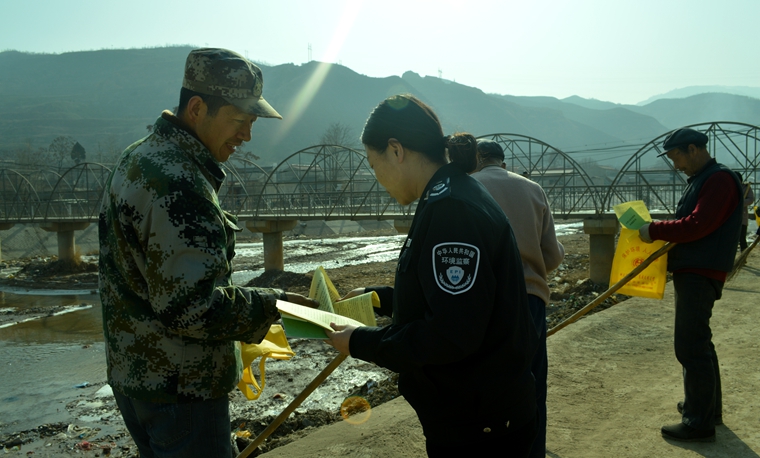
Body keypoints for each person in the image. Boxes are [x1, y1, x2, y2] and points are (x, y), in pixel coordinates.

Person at [99, 48, 316, 458]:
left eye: (252, 123)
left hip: (135, 380)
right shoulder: (181, 183)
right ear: (197, 108)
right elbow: (191, 309)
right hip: (183, 390)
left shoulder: (139, 157)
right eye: (239, 120)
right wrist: (275, 305)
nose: (246, 135)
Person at [326, 94, 538, 457]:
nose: (377, 179)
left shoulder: (451, 210)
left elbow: (450, 334)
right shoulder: (451, 195)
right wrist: (377, 297)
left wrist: (359, 341)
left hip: (479, 430)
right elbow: (450, 299)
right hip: (481, 417)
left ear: (396, 150)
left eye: (373, 165)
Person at [639, 127, 742, 442]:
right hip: (695, 270)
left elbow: (697, 224)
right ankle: (707, 409)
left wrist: (655, 230)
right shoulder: (704, 179)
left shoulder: (719, 180)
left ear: (694, 149)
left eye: (677, 157)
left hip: (701, 272)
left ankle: (699, 423)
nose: (676, 165)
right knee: (700, 343)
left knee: (690, 345)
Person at [471, 139, 565, 458]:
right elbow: (552, 256)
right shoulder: (533, 189)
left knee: (486, 385)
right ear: (503, 162)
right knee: (533, 384)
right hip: (530, 300)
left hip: (485, 303)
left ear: (476, 160)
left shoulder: (469, 187)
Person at [736, 173, 755, 252]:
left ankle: (744, 255)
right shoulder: (731, 187)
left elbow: (751, 199)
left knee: (742, 238)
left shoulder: (746, 188)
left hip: (742, 217)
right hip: (731, 218)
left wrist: (740, 202)